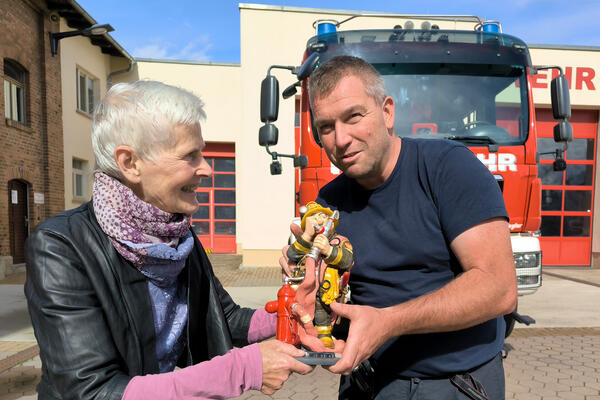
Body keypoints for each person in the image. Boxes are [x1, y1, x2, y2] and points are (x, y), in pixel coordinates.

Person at [24, 80, 312, 400]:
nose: (206, 168)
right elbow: (91, 391)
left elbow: (222, 318)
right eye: (189, 156)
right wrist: (243, 369)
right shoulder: (60, 246)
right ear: (130, 163)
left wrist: (291, 312)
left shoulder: (180, 235)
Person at [283, 55, 517, 399]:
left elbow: (499, 288)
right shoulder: (329, 201)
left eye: (353, 117)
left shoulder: (448, 168)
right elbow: (336, 291)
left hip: (457, 385)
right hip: (367, 381)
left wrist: (388, 322)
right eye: (326, 127)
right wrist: (303, 282)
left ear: (387, 112)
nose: (341, 139)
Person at [286, 201, 353, 349]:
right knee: (302, 312)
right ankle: (301, 335)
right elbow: (292, 254)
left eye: (323, 216)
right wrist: (307, 235)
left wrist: (329, 251)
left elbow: (348, 260)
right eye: (314, 218)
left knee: (323, 310)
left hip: (327, 287)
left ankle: (324, 336)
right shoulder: (305, 242)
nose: (319, 220)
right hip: (305, 288)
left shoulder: (339, 240)